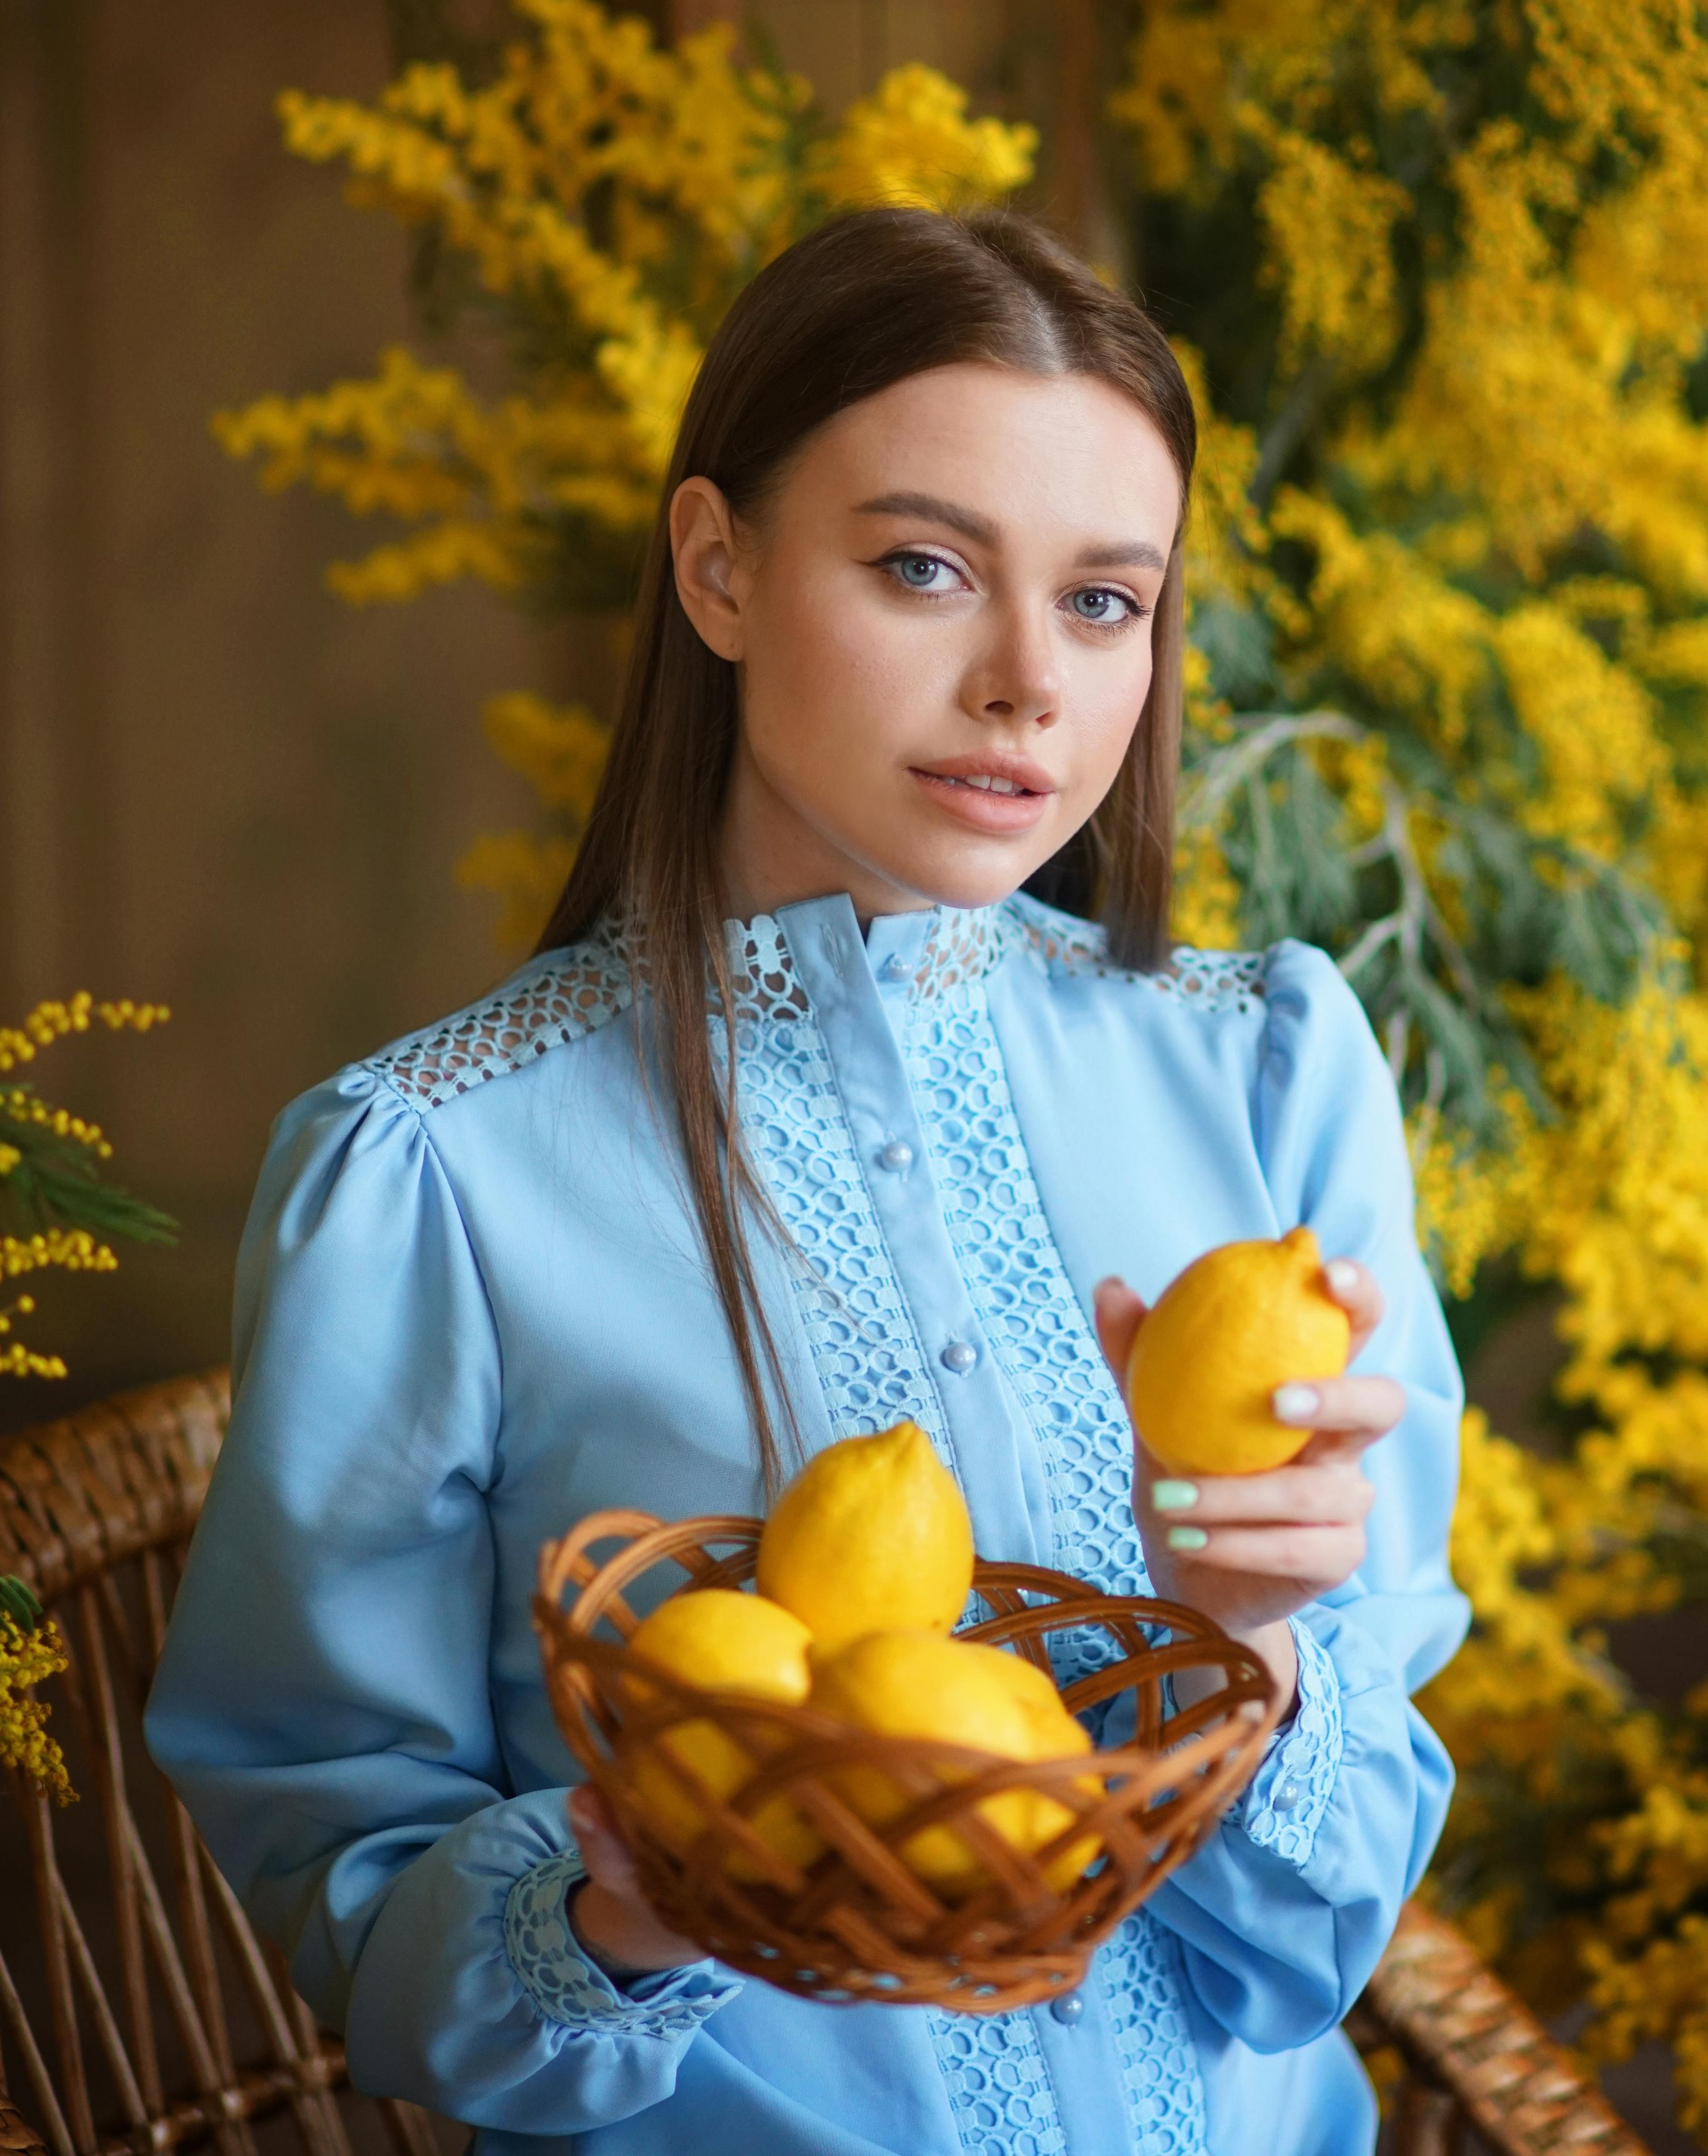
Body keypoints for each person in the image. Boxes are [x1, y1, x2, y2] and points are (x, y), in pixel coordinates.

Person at [145, 207, 1468, 2156]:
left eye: (1107, 601)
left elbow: (1329, 1933)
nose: (1028, 680)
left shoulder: (1273, 1081)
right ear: (720, 566)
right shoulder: (431, 1176)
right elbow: (346, 1895)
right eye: (927, 567)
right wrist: (633, 1897)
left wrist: (1240, 1646)